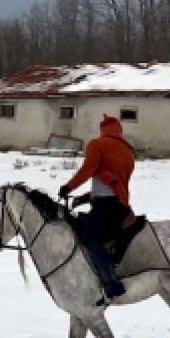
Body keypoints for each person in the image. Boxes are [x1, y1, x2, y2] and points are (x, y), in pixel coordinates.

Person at [59, 114, 135, 305]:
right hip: (119, 203)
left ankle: (111, 283)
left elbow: (89, 168)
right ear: (119, 130)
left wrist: (68, 187)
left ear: (102, 130)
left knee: (89, 238)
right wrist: (86, 197)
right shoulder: (127, 150)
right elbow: (110, 180)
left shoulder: (97, 144)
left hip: (106, 205)